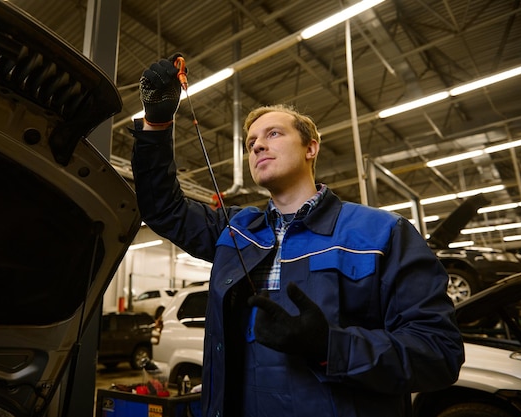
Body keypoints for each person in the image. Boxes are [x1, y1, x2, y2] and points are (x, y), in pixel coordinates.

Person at [130, 54, 464, 417]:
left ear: (311, 148)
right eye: (251, 141)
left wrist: (331, 346)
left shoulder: (382, 234)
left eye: (273, 133)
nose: (257, 145)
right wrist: (156, 125)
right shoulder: (238, 232)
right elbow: (163, 208)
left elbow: (439, 352)